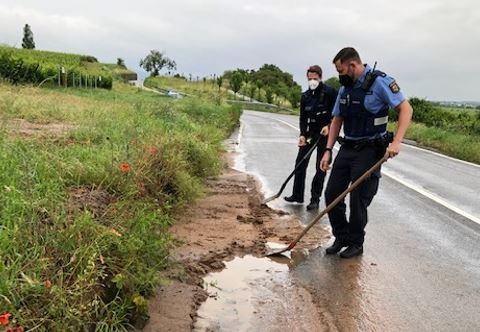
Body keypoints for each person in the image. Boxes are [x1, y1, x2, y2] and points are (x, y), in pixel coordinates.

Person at [320, 47, 413, 258]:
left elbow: (406, 109)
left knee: (358, 198)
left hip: (370, 149)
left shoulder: (381, 82)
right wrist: (328, 150)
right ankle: (341, 237)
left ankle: (356, 242)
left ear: (352, 65)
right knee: (332, 193)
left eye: (340, 70)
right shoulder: (345, 88)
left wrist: (397, 142)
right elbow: (336, 120)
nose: (339, 75)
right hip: (348, 147)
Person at [284, 65, 338, 210]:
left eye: (315, 78)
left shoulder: (330, 93)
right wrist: (302, 134)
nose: (312, 81)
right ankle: (297, 195)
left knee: (320, 167)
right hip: (309, 134)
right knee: (300, 162)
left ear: (320, 77)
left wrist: (329, 124)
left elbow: (337, 113)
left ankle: (315, 199)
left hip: (325, 134)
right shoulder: (305, 96)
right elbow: (303, 117)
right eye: (310, 78)